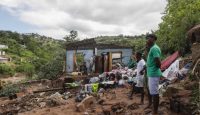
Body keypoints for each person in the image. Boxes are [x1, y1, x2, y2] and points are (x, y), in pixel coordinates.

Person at [146, 34, 162, 115]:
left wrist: (153, 68)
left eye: (148, 38)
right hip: (151, 73)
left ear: (153, 39)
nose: (147, 40)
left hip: (154, 73)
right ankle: (153, 108)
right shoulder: (152, 48)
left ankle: (155, 112)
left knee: (155, 93)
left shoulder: (154, 48)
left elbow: (158, 63)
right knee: (152, 91)